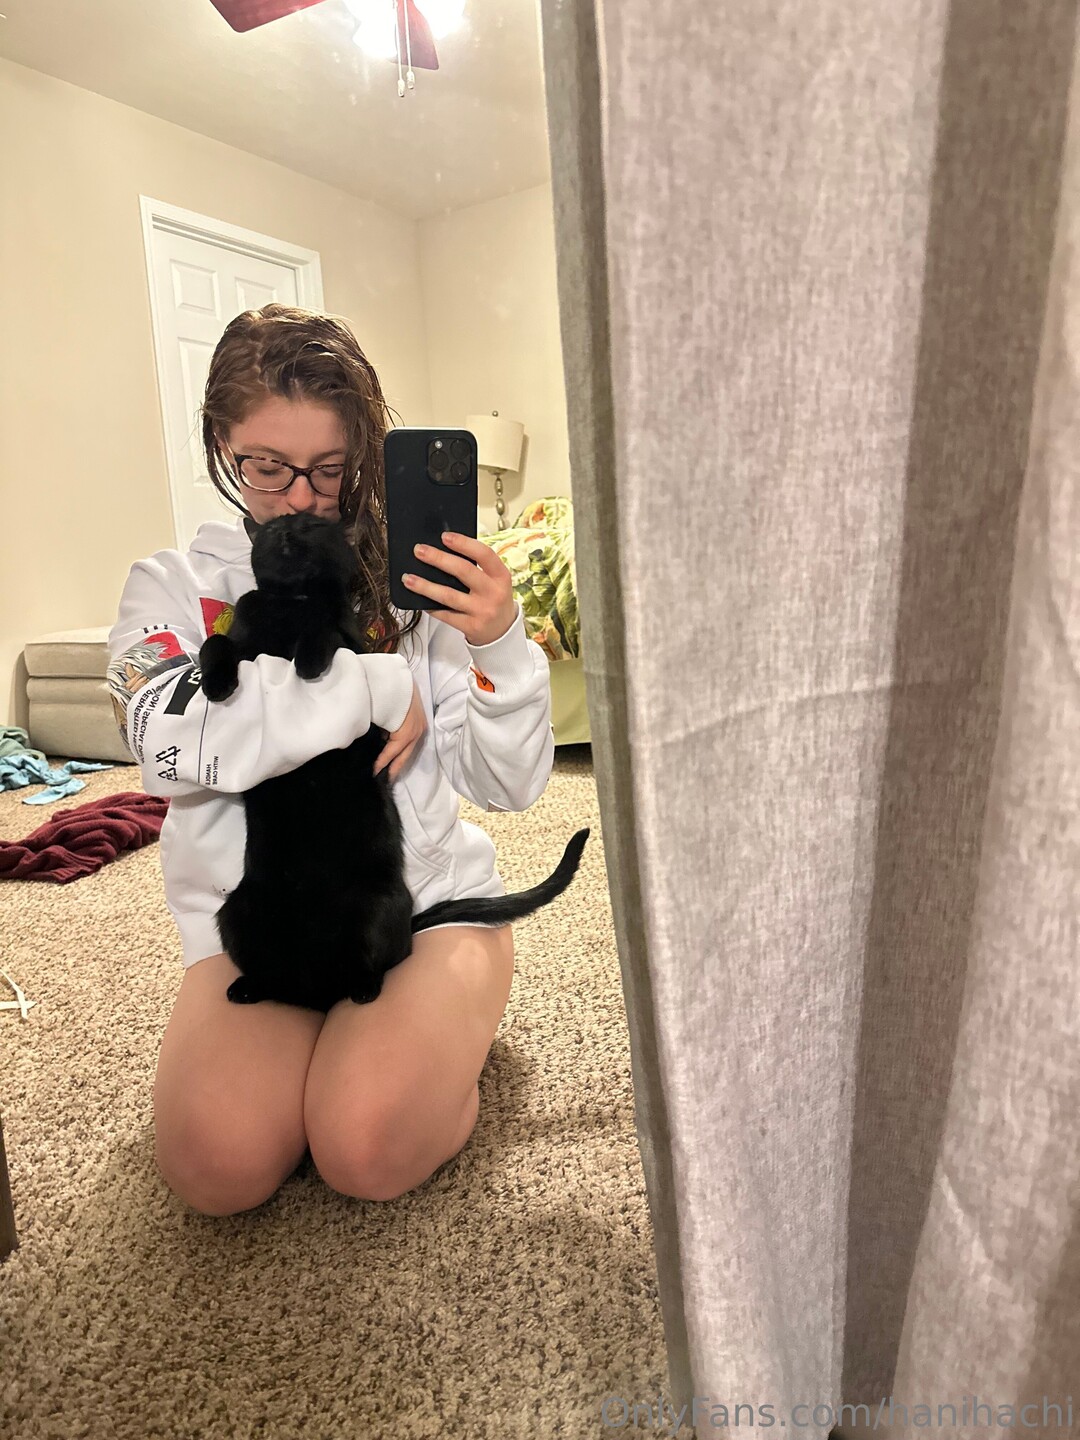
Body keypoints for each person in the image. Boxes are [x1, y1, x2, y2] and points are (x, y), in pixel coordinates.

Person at [106, 303, 554, 1217]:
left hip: (417, 910)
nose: (303, 499)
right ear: (223, 445)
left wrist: (500, 644)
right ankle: (356, 1048)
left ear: (365, 455)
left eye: (330, 468)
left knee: (363, 1148)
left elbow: (508, 786)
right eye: (268, 466)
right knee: (216, 1170)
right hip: (265, 922)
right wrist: (375, 691)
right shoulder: (172, 589)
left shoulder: (414, 585)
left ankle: (442, 1032)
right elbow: (166, 742)